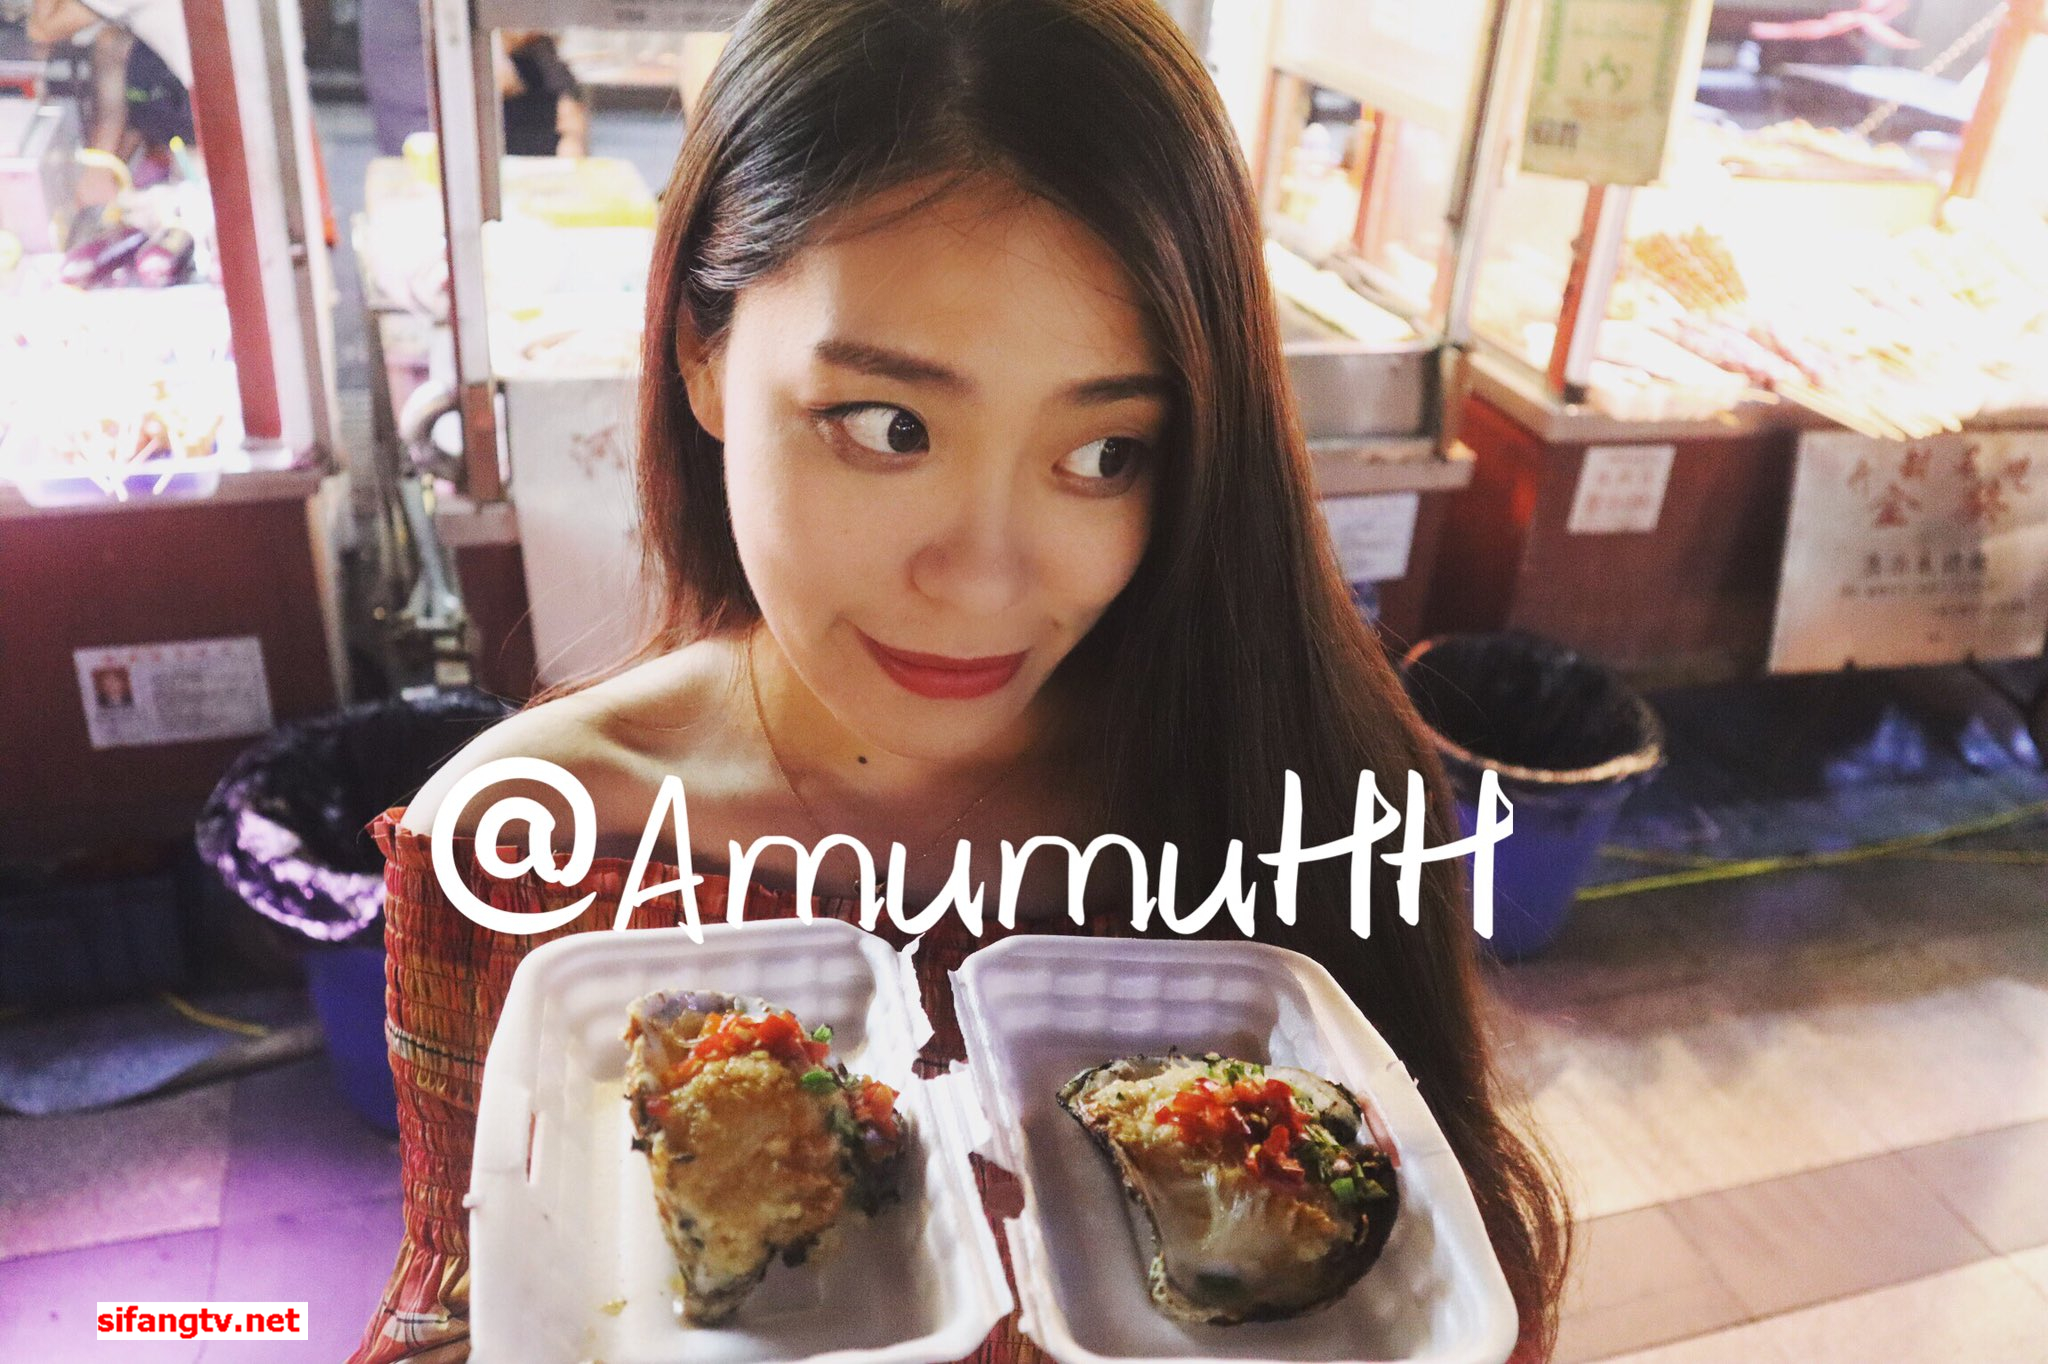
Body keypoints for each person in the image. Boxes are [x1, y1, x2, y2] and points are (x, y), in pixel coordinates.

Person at [352, 3, 1570, 1362]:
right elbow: (456, 1305)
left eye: (1105, 454)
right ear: (704, 350)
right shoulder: (524, 849)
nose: (987, 580)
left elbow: (1439, 1286)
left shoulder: (1295, 784)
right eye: (889, 427)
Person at [496, 29, 587, 158]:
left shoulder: (541, 51)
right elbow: (505, 82)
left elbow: (571, 111)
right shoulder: (491, 49)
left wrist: (571, 142)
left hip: (545, 144)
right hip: (506, 141)